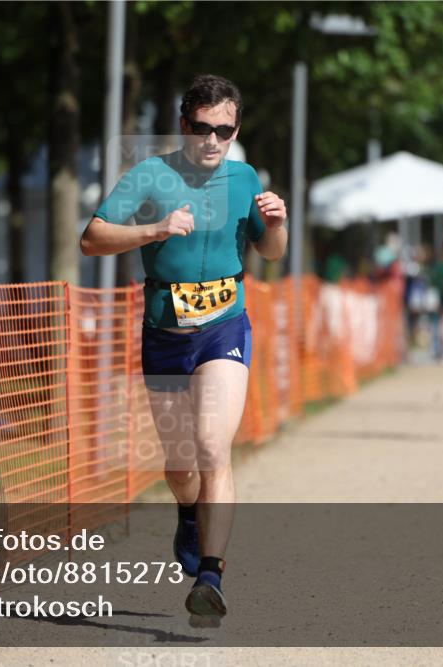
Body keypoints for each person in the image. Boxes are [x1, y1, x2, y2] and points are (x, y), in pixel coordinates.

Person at [79, 74, 287, 621]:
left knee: (213, 448)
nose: (213, 141)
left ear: (237, 129)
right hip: (164, 332)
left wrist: (279, 225)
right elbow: (93, 237)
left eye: (225, 130)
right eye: (202, 128)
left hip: (225, 327)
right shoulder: (150, 174)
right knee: (179, 465)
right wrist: (154, 230)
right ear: (183, 125)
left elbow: (270, 253)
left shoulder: (246, 179)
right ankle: (188, 513)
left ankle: (211, 575)